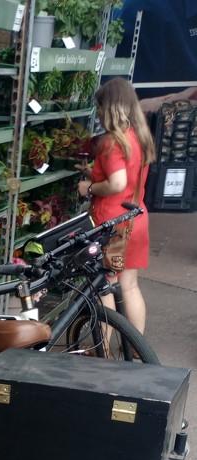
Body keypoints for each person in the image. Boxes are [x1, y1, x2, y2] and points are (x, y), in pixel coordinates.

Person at [77, 78, 156, 334]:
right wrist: (94, 171)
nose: (98, 112)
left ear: (110, 107)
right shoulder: (138, 137)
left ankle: (105, 352)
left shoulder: (112, 141)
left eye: (100, 106)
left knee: (105, 284)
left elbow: (117, 182)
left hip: (113, 226)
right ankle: (136, 346)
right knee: (130, 285)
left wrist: (88, 187)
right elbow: (127, 174)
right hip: (136, 218)